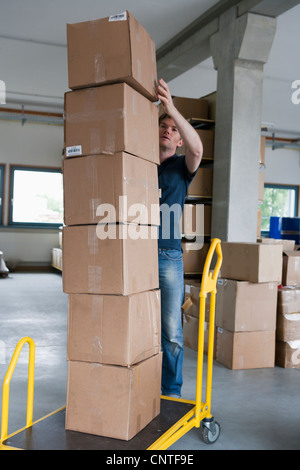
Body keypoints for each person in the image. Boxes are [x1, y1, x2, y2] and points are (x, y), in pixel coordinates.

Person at [156, 78, 203, 398]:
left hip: (167, 256)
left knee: (171, 331)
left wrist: (170, 107)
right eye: (164, 125)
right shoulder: (137, 162)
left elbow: (198, 148)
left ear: (180, 140)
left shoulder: (181, 167)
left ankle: (171, 392)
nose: (168, 131)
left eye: (174, 129)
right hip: (133, 253)